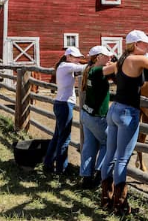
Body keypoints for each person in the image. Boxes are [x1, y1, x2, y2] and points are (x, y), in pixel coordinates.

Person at [102, 30, 148, 214]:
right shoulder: (137, 60)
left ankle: (106, 198)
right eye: (144, 43)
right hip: (127, 112)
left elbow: (103, 71)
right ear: (135, 45)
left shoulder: (121, 61)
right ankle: (120, 204)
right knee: (122, 158)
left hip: (114, 109)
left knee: (110, 155)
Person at [43, 47, 87, 176]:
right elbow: (84, 68)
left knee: (58, 136)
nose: (78, 59)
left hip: (61, 103)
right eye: (76, 57)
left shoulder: (63, 66)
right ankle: (61, 169)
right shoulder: (67, 66)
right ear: (68, 57)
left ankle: (48, 164)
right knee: (64, 138)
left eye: (79, 57)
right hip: (65, 104)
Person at [78, 45, 114, 190]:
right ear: (98, 57)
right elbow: (120, 66)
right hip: (97, 116)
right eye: (107, 55)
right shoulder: (99, 70)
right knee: (109, 143)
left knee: (89, 146)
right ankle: (100, 176)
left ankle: (86, 178)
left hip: (87, 113)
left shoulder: (90, 69)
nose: (110, 57)